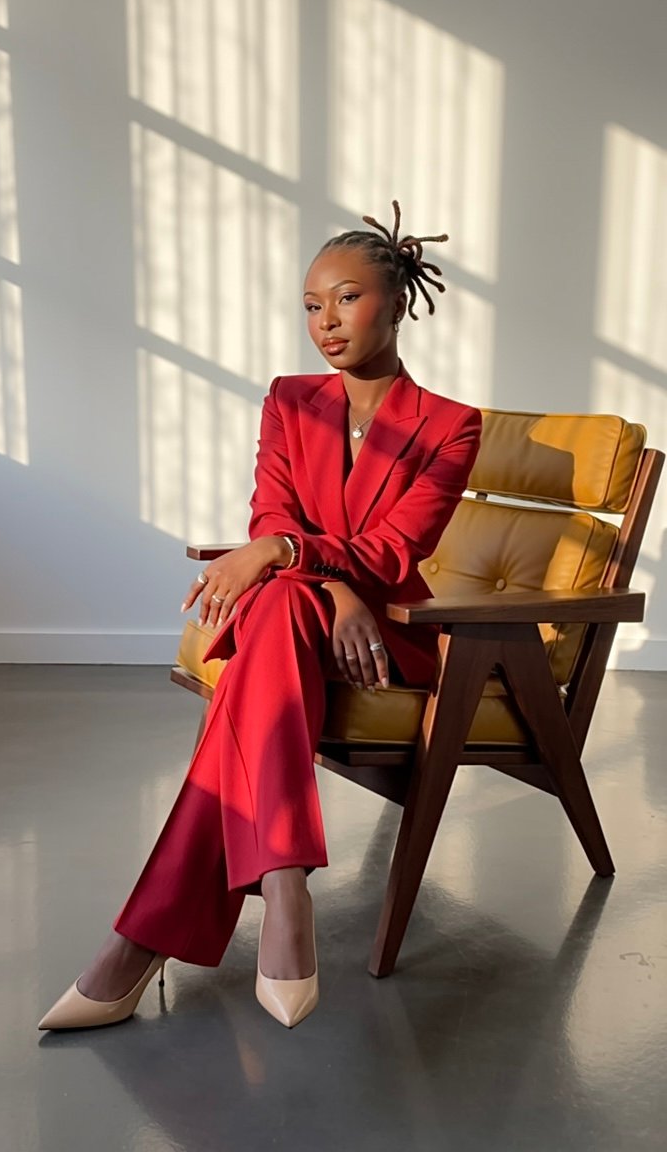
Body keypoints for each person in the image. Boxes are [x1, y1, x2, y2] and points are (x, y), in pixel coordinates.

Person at [38, 201, 482, 1032]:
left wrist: (289, 560)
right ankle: (283, 888)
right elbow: (273, 512)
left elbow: (391, 555)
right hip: (318, 614)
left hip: (392, 635)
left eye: (346, 299)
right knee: (278, 610)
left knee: (273, 602)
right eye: (311, 306)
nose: (326, 322)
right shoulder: (290, 400)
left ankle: (140, 947)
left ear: (397, 303)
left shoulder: (451, 426)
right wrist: (320, 580)